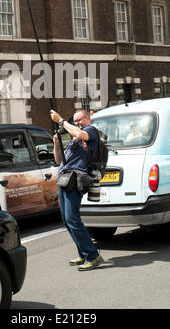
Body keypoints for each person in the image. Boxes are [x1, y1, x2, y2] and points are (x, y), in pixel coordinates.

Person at [50, 108, 104, 271]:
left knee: (73, 219)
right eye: (75, 121)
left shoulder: (90, 131)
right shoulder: (74, 139)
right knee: (67, 220)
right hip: (65, 178)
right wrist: (56, 143)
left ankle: (93, 256)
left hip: (76, 179)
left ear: (88, 119)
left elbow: (80, 135)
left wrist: (61, 121)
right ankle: (83, 253)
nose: (77, 123)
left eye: (80, 120)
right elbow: (59, 160)